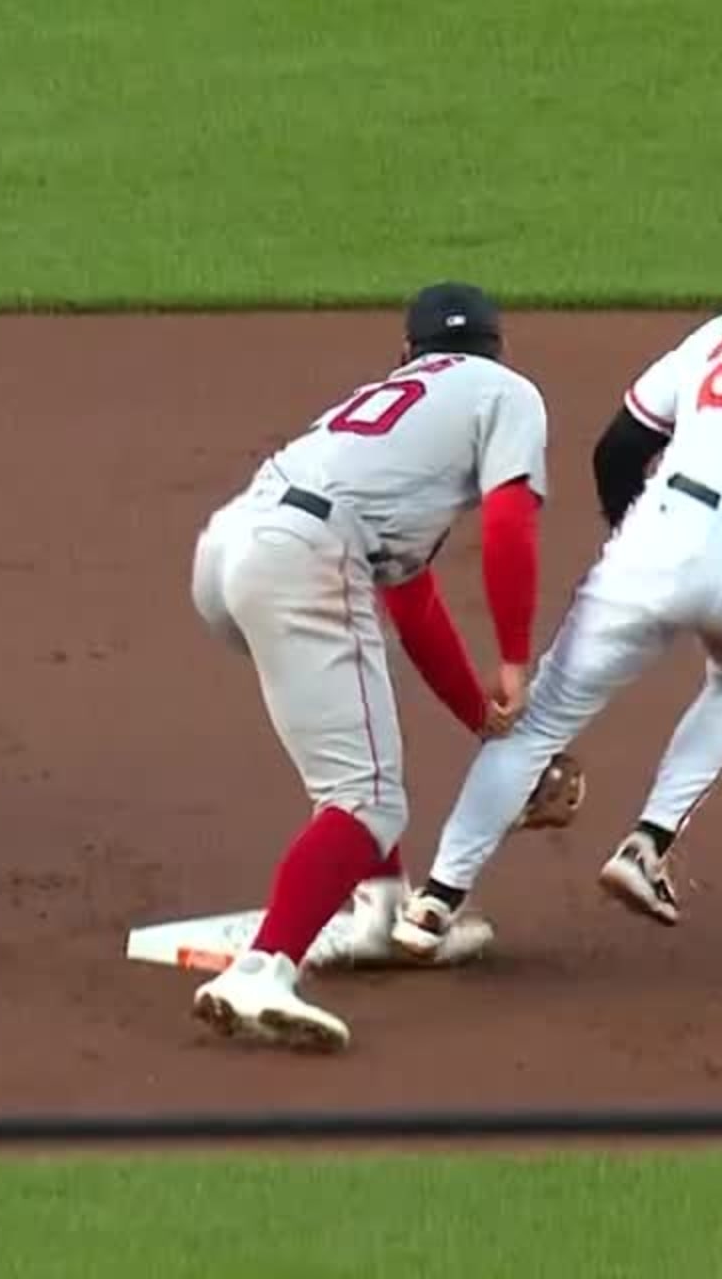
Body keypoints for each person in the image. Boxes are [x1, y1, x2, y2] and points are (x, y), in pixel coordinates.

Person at [391, 256, 722, 956]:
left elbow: (619, 449)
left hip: (662, 538)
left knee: (539, 719)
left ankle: (434, 902)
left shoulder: (720, 332)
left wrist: (632, 537)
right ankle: (648, 843)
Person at [187, 281, 548, 1051]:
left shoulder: (389, 413)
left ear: (408, 353)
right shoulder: (507, 394)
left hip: (229, 549)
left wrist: (486, 723)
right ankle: (262, 971)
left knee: (358, 766)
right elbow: (511, 522)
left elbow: (411, 600)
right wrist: (516, 656)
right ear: (500, 347)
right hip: (305, 558)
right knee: (367, 797)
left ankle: (382, 911)